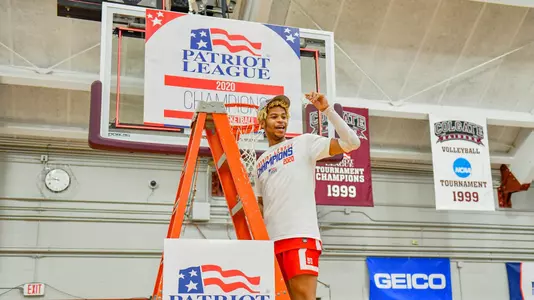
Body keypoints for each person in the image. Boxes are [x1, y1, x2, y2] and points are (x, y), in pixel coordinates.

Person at [253, 92, 361, 300]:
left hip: (299, 237)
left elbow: (352, 142)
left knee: (303, 297)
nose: (281, 120)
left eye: (283, 116)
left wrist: (327, 110)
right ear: (263, 121)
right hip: (272, 243)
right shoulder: (260, 162)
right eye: (274, 116)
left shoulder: (303, 143)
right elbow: (259, 206)